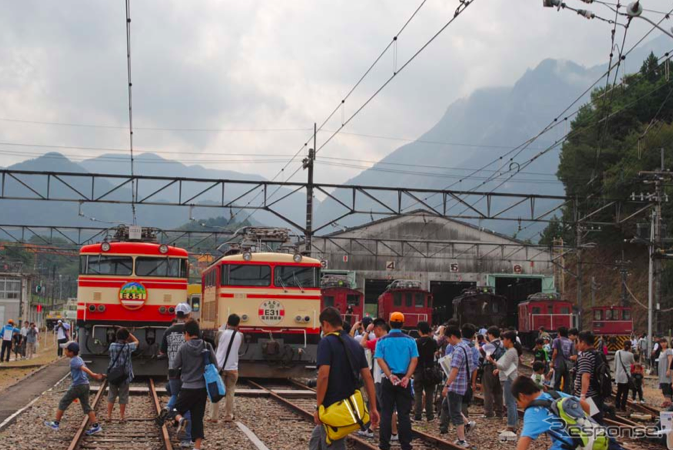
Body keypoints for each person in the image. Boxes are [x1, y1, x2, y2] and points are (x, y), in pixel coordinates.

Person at [310, 307, 379, 450]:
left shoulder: (326, 342)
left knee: (333, 443)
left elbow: (323, 376)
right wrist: (373, 407)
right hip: (349, 404)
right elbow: (368, 377)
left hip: (333, 406)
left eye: (322, 326)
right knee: (316, 439)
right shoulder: (355, 344)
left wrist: (319, 406)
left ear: (326, 324)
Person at [159, 319, 216, 450]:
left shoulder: (183, 348)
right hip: (202, 389)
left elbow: (174, 366)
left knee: (174, 410)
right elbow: (216, 366)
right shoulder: (207, 346)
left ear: (187, 333)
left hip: (187, 388)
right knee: (198, 418)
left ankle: (181, 421)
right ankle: (197, 447)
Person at [512, 375, 592, 450]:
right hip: (587, 440)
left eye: (517, 401)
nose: (518, 404)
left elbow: (524, 441)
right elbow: (586, 405)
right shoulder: (555, 394)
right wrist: (592, 423)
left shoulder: (533, 411)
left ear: (522, 396)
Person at [374, 312, 418, 450]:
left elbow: (379, 359)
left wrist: (389, 374)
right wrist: (407, 376)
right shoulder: (411, 341)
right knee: (404, 413)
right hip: (404, 380)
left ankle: (384, 444)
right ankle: (405, 444)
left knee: (386, 412)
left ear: (390, 323)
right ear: (403, 324)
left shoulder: (382, 341)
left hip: (388, 380)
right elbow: (414, 359)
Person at [44, 341, 104, 435]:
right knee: (86, 406)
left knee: (63, 402)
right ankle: (96, 426)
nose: (64, 351)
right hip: (85, 385)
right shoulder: (79, 358)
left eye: (66, 350)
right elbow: (83, 368)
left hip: (78, 386)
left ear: (71, 352)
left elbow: (83, 368)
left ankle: (56, 423)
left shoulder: (73, 361)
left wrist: (93, 375)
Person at [158, 303, 193, 448]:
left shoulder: (168, 331)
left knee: (174, 395)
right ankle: (186, 439)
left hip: (172, 371)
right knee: (188, 404)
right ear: (188, 315)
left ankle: (168, 408)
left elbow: (162, 352)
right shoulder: (190, 331)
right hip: (187, 372)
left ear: (176, 314)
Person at [439, 325, 473, 447]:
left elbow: (454, 370)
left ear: (453, 337)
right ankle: (468, 424)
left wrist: (446, 386)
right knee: (448, 405)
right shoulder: (466, 347)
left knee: (455, 413)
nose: (447, 341)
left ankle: (462, 439)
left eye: (448, 338)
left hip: (456, 385)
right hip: (463, 383)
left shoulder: (458, 350)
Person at [360, 317, 393, 439]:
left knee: (381, 406)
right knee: (388, 406)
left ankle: (380, 431)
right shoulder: (396, 340)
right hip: (395, 376)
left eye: (374, 330)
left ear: (379, 329)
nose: (374, 333)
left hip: (380, 377)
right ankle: (374, 429)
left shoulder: (380, 341)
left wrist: (367, 332)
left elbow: (362, 344)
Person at [210, 313, 243, 423]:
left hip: (219, 367)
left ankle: (214, 417)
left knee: (216, 391)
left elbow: (216, 344)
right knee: (230, 392)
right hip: (233, 368)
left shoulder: (220, 334)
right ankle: (228, 415)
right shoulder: (240, 335)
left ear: (227, 323)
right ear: (238, 324)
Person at [487, 329, 519, 433]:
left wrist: (493, 362)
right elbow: (509, 366)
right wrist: (498, 369)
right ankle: (514, 424)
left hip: (508, 379)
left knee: (509, 403)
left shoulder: (511, 351)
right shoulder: (512, 351)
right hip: (510, 378)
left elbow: (505, 366)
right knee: (512, 403)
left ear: (509, 340)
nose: (502, 341)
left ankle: (510, 426)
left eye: (504, 339)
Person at [106, 328, 139, 422]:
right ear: (126, 337)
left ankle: (108, 416)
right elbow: (137, 342)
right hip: (124, 376)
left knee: (111, 395)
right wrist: (130, 335)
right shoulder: (128, 347)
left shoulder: (112, 346)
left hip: (113, 375)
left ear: (116, 336)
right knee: (123, 396)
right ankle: (121, 417)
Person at [574, 330, 605, 424]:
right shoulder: (596, 353)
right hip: (595, 394)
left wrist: (582, 395)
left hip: (588, 397)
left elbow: (586, 376)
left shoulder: (585, 356)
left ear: (583, 342)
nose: (577, 345)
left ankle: (609, 438)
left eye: (578, 342)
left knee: (595, 422)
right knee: (595, 421)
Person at [413, 321, 438, 422]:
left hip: (418, 370)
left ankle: (417, 415)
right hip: (430, 370)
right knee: (429, 393)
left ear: (419, 331)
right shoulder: (433, 342)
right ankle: (430, 415)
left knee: (418, 393)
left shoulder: (416, 342)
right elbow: (436, 352)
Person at [481, 326, 504, 419]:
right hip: (500, 367)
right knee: (498, 391)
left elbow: (481, 350)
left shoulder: (490, 345)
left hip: (490, 368)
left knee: (488, 390)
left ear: (490, 334)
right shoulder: (503, 344)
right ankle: (500, 412)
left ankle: (488, 412)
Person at [551, 326, 574, 394]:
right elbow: (571, 354)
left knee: (557, 382)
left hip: (559, 364)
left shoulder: (556, 340)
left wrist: (552, 362)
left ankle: (557, 396)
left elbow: (555, 352)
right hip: (568, 364)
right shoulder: (570, 341)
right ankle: (565, 396)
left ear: (559, 333)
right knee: (567, 383)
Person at [614, 341, 635, 412]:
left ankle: (617, 405)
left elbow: (615, 365)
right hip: (626, 376)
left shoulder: (617, 352)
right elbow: (633, 363)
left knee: (619, 391)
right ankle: (623, 407)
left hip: (618, 375)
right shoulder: (630, 354)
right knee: (625, 392)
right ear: (630, 346)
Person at [658, 338, 673, 404]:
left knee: (667, 386)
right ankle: (667, 401)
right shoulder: (661, 351)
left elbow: (670, 360)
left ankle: (669, 401)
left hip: (666, 371)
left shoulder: (668, 350)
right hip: (661, 373)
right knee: (664, 386)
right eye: (661, 342)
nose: (663, 344)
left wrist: (668, 370)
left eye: (664, 342)